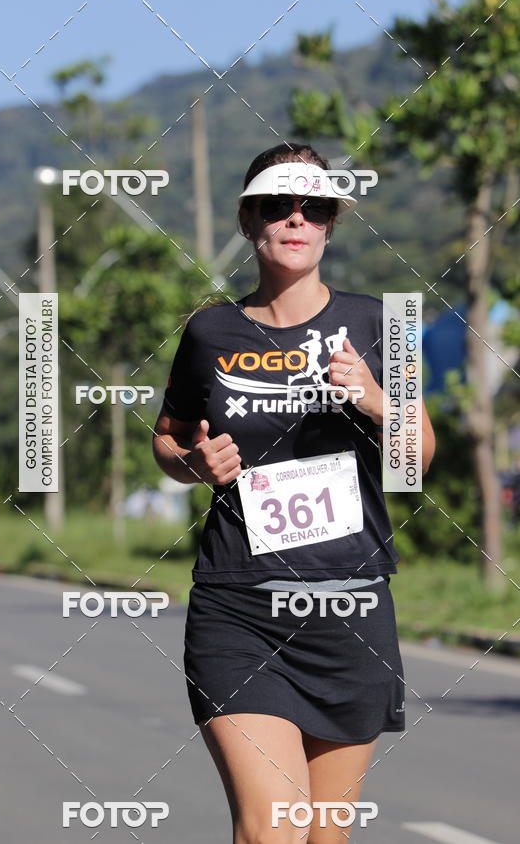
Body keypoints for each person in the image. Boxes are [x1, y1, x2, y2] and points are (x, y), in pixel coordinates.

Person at [152, 143, 436, 843]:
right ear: (251, 219)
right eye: (279, 205)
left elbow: (419, 457)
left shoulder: (381, 325)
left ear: (333, 223)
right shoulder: (210, 330)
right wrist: (196, 463)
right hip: (239, 608)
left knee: (323, 835)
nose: (297, 219)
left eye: (315, 208)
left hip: (350, 606)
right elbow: (168, 438)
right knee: (271, 828)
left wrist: (374, 401)